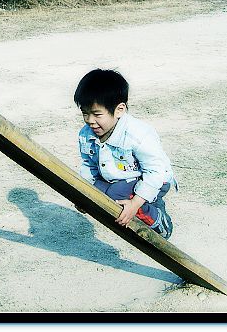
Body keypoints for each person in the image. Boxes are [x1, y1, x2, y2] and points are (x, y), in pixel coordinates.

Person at [74, 68, 176, 239]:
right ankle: (139, 204)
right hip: (117, 178)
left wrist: (135, 203)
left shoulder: (137, 134)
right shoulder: (86, 135)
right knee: (96, 195)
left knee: (116, 196)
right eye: (85, 113)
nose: (90, 121)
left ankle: (158, 220)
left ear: (119, 109)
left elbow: (155, 171)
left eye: (97, 114)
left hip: (153, 179)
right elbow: (88, 165)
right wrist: (85, 195)